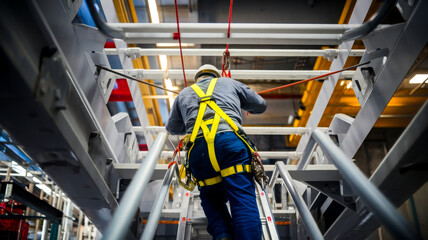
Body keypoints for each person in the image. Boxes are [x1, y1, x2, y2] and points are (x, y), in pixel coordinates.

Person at [166, 64, 267, 240]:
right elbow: (260, 105)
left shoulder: (183, 94)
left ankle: (223, 235)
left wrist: (190, 115)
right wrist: (242, 103)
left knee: (211, 198)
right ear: (216, 75)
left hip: (199, 152)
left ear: (197, 78)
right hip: (229, 145)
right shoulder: (229, 83)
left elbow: (173, 128)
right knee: (241, 197)